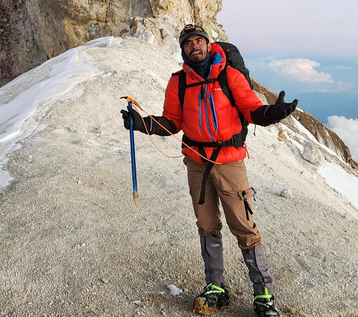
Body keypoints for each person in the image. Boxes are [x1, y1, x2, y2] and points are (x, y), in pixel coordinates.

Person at [122, 24, 298, 316]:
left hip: (229, 161)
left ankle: (263, 293)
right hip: (196, 162)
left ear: (208, 44)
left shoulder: (230, 75)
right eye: (188, 43)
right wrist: (142, 124)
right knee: (206, 225)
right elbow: (171, 122)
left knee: (243, 225)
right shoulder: (178, 82)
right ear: (183, 50)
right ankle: (216, 286)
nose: (194, 46)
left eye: (199, 41)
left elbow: (251, 108)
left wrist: (272, 114)